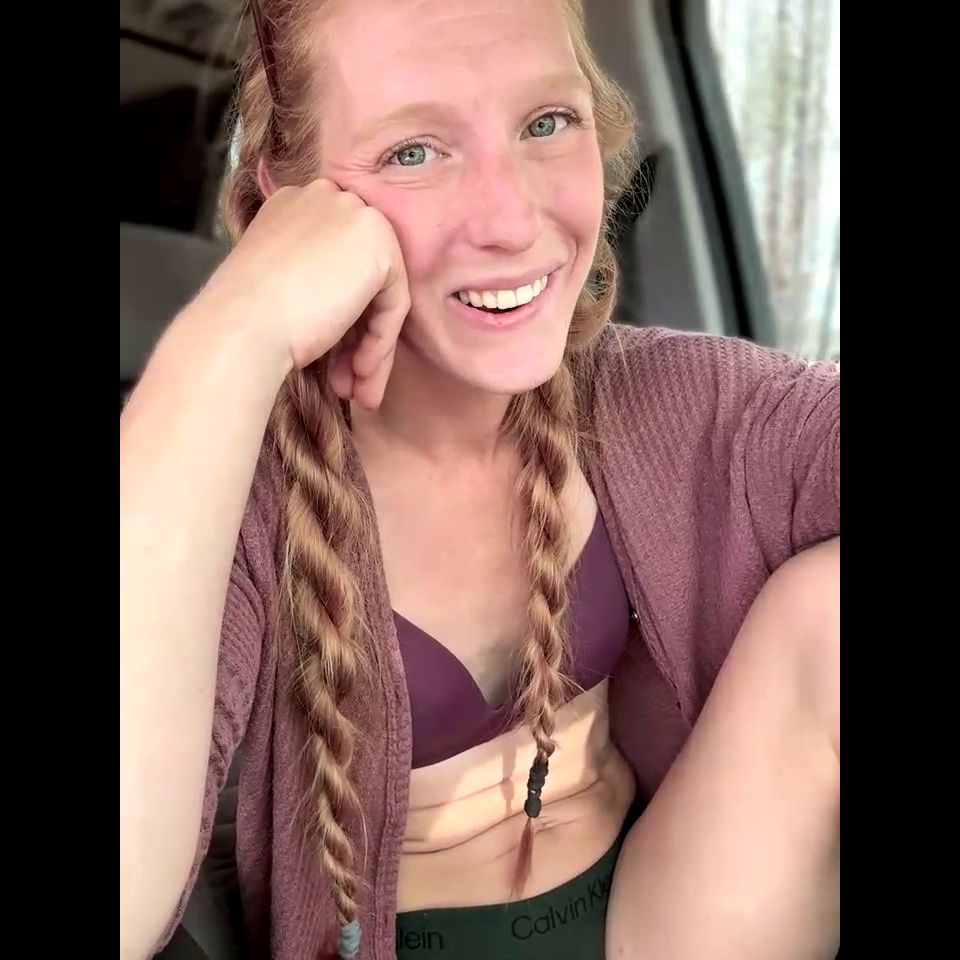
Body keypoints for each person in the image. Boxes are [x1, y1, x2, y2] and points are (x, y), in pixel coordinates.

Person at [119, 0, 840, 957]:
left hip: (674, 913)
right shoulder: (229, 483)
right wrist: (236, 328)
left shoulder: (665, 398)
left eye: (546, 122)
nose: (511, 219)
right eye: (414, 151)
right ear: (290, 205)